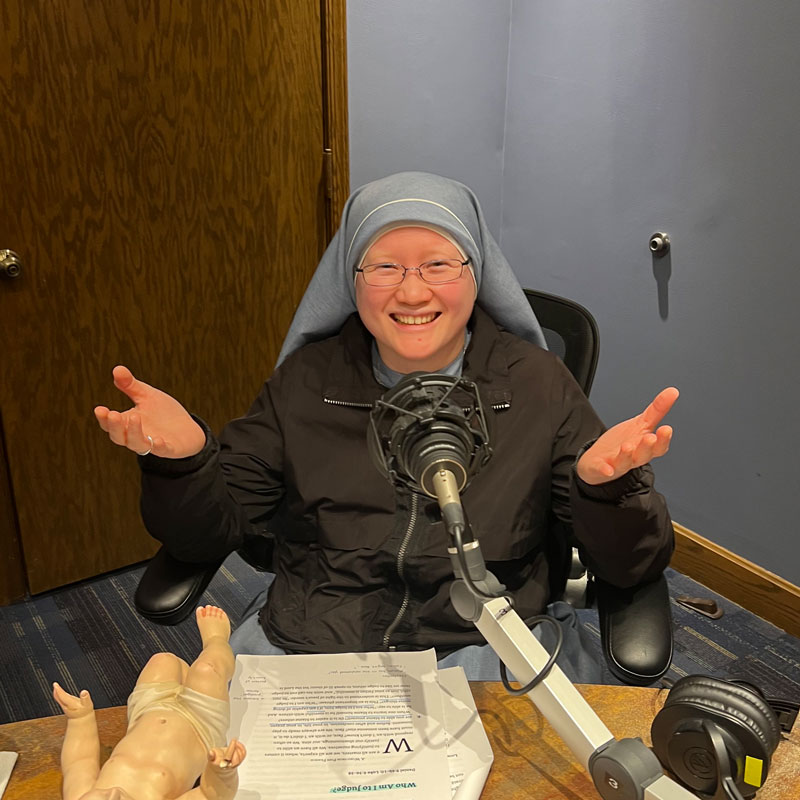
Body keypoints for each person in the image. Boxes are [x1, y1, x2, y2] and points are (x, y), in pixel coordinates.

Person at [94, 171, 677, 682]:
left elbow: (630, 566)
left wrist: (609, 494)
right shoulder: (306, 379)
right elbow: (207, 536)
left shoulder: (538, 384)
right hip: (313, 642)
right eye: (385, 266)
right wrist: (185, 463)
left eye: (439, 264)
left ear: (478, 274)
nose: (413, 290)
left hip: (483, 645)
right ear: (352, 278)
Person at [52, 605, 246, 800]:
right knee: (208, 670)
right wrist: (223, 772)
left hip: (148, 709)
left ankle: (187, 678)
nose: (111, 793)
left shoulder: (78, 796)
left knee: (163, 661)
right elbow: (208, 795)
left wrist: (80, 719)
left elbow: (79, 762)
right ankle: (216, 641)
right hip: (200, 725)